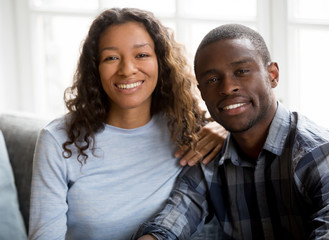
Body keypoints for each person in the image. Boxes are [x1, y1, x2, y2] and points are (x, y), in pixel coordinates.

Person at [133, 24, 329, 240]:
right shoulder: (210, 159)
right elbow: (173, 220)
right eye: (212, 79)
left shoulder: (325, 156)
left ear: (273, 75)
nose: (227, 87)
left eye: (242, 71)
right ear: (201, 92)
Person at [28, 8, 227, 240]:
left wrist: (226, 130)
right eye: (111, 58)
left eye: (141, 55)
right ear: (95, 68)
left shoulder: (187, 128)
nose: (127, 70)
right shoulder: (57, 139)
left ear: (161, 62)